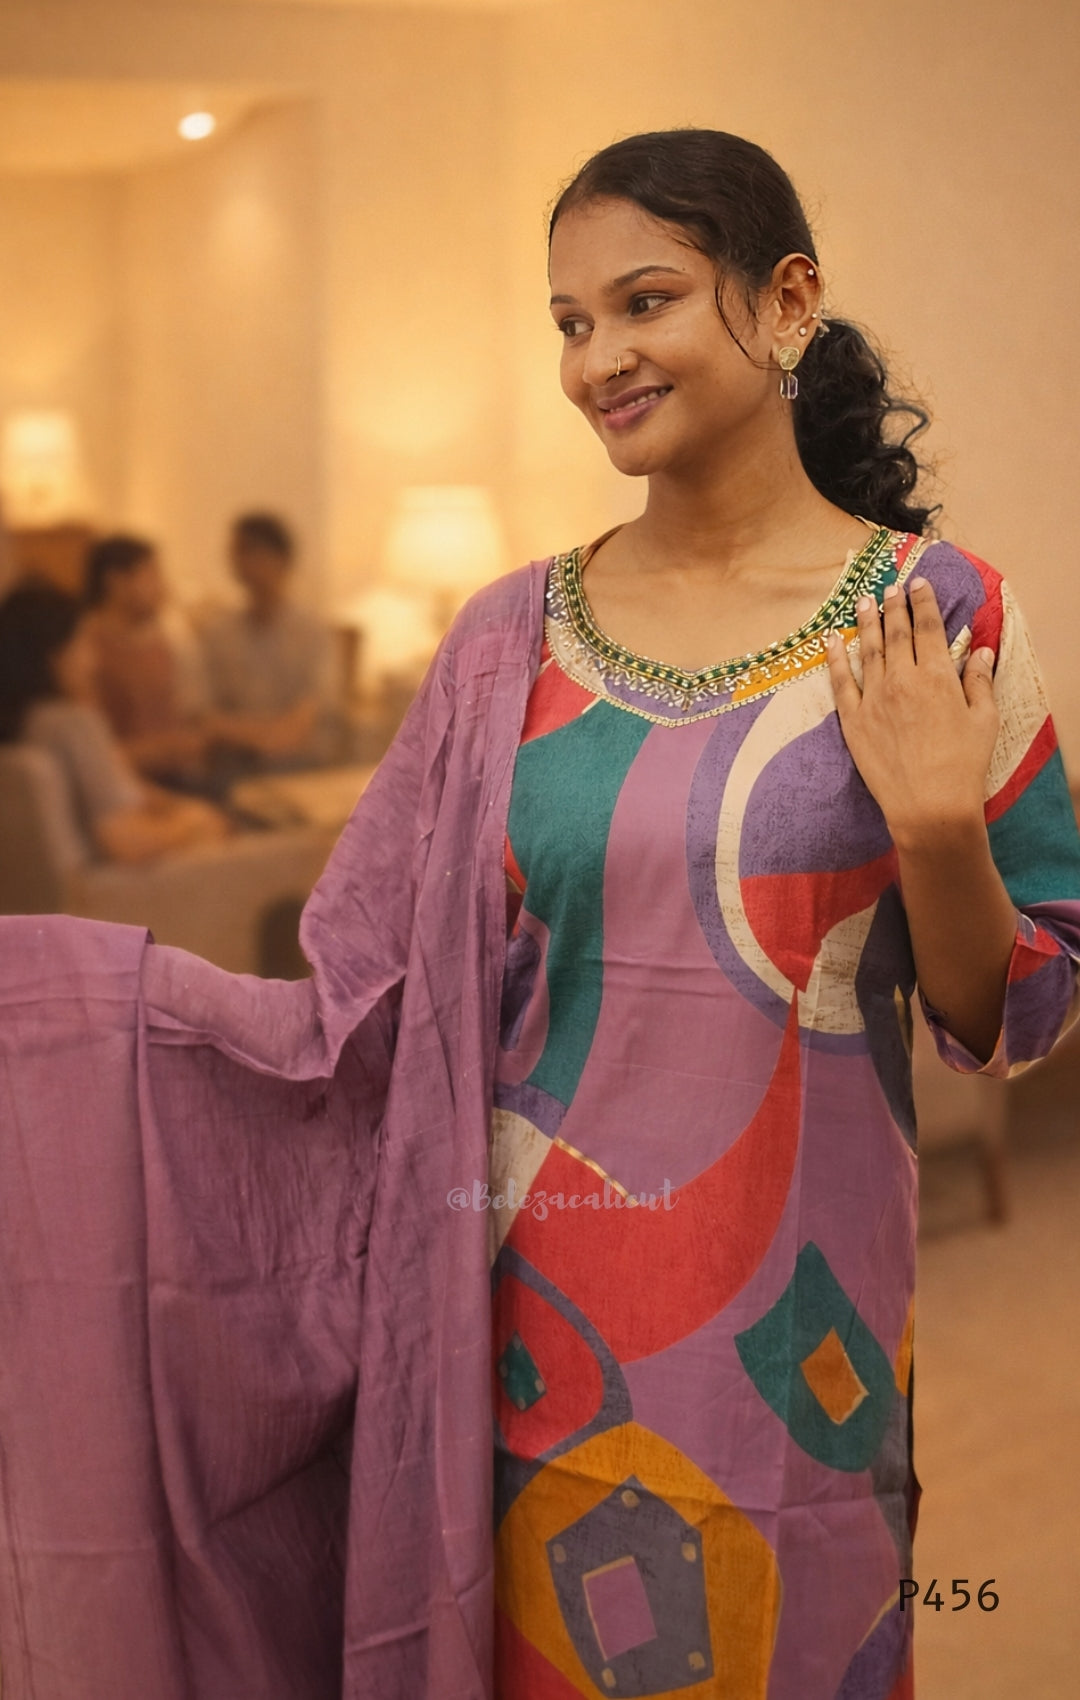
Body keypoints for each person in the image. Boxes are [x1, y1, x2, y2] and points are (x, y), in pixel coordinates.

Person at [0, 129, 1078, 1700]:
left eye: (642, 302)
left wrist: (931, 826)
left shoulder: (940, 612)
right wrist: (66, 1019)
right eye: (568, 322)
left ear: (787, 302)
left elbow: (1022, 1016)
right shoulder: (510, 636)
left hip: (805, 1365)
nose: (597, 360)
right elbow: (362, 999)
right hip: (527, 1338)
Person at [0, 581, 228, 862]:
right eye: (83, 642)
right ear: (55, 655)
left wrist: (179, 809)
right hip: (115, 893)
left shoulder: (24, 726)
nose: (93, 661)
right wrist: (190, 826)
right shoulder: (73, 725)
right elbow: (124, 842)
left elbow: (124, 789)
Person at [199, 511, 342, 776]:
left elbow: (301, 726)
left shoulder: (313, 633)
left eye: (250, 551)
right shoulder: (218, 634)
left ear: (282, 559)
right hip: (234, 773)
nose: (241, 560)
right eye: (238, 551)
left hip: (302, 771)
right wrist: (266, 735)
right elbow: (206, 722)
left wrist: (249, 733)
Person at [83, 532, 210, 784]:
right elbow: (91, 752)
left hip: (179, 777)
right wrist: (162, 749)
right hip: (124, 788)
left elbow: (189, 713)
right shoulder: (86, 650)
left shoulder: (165, 639)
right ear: (116, 582)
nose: (163, 587)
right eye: (152, 575)